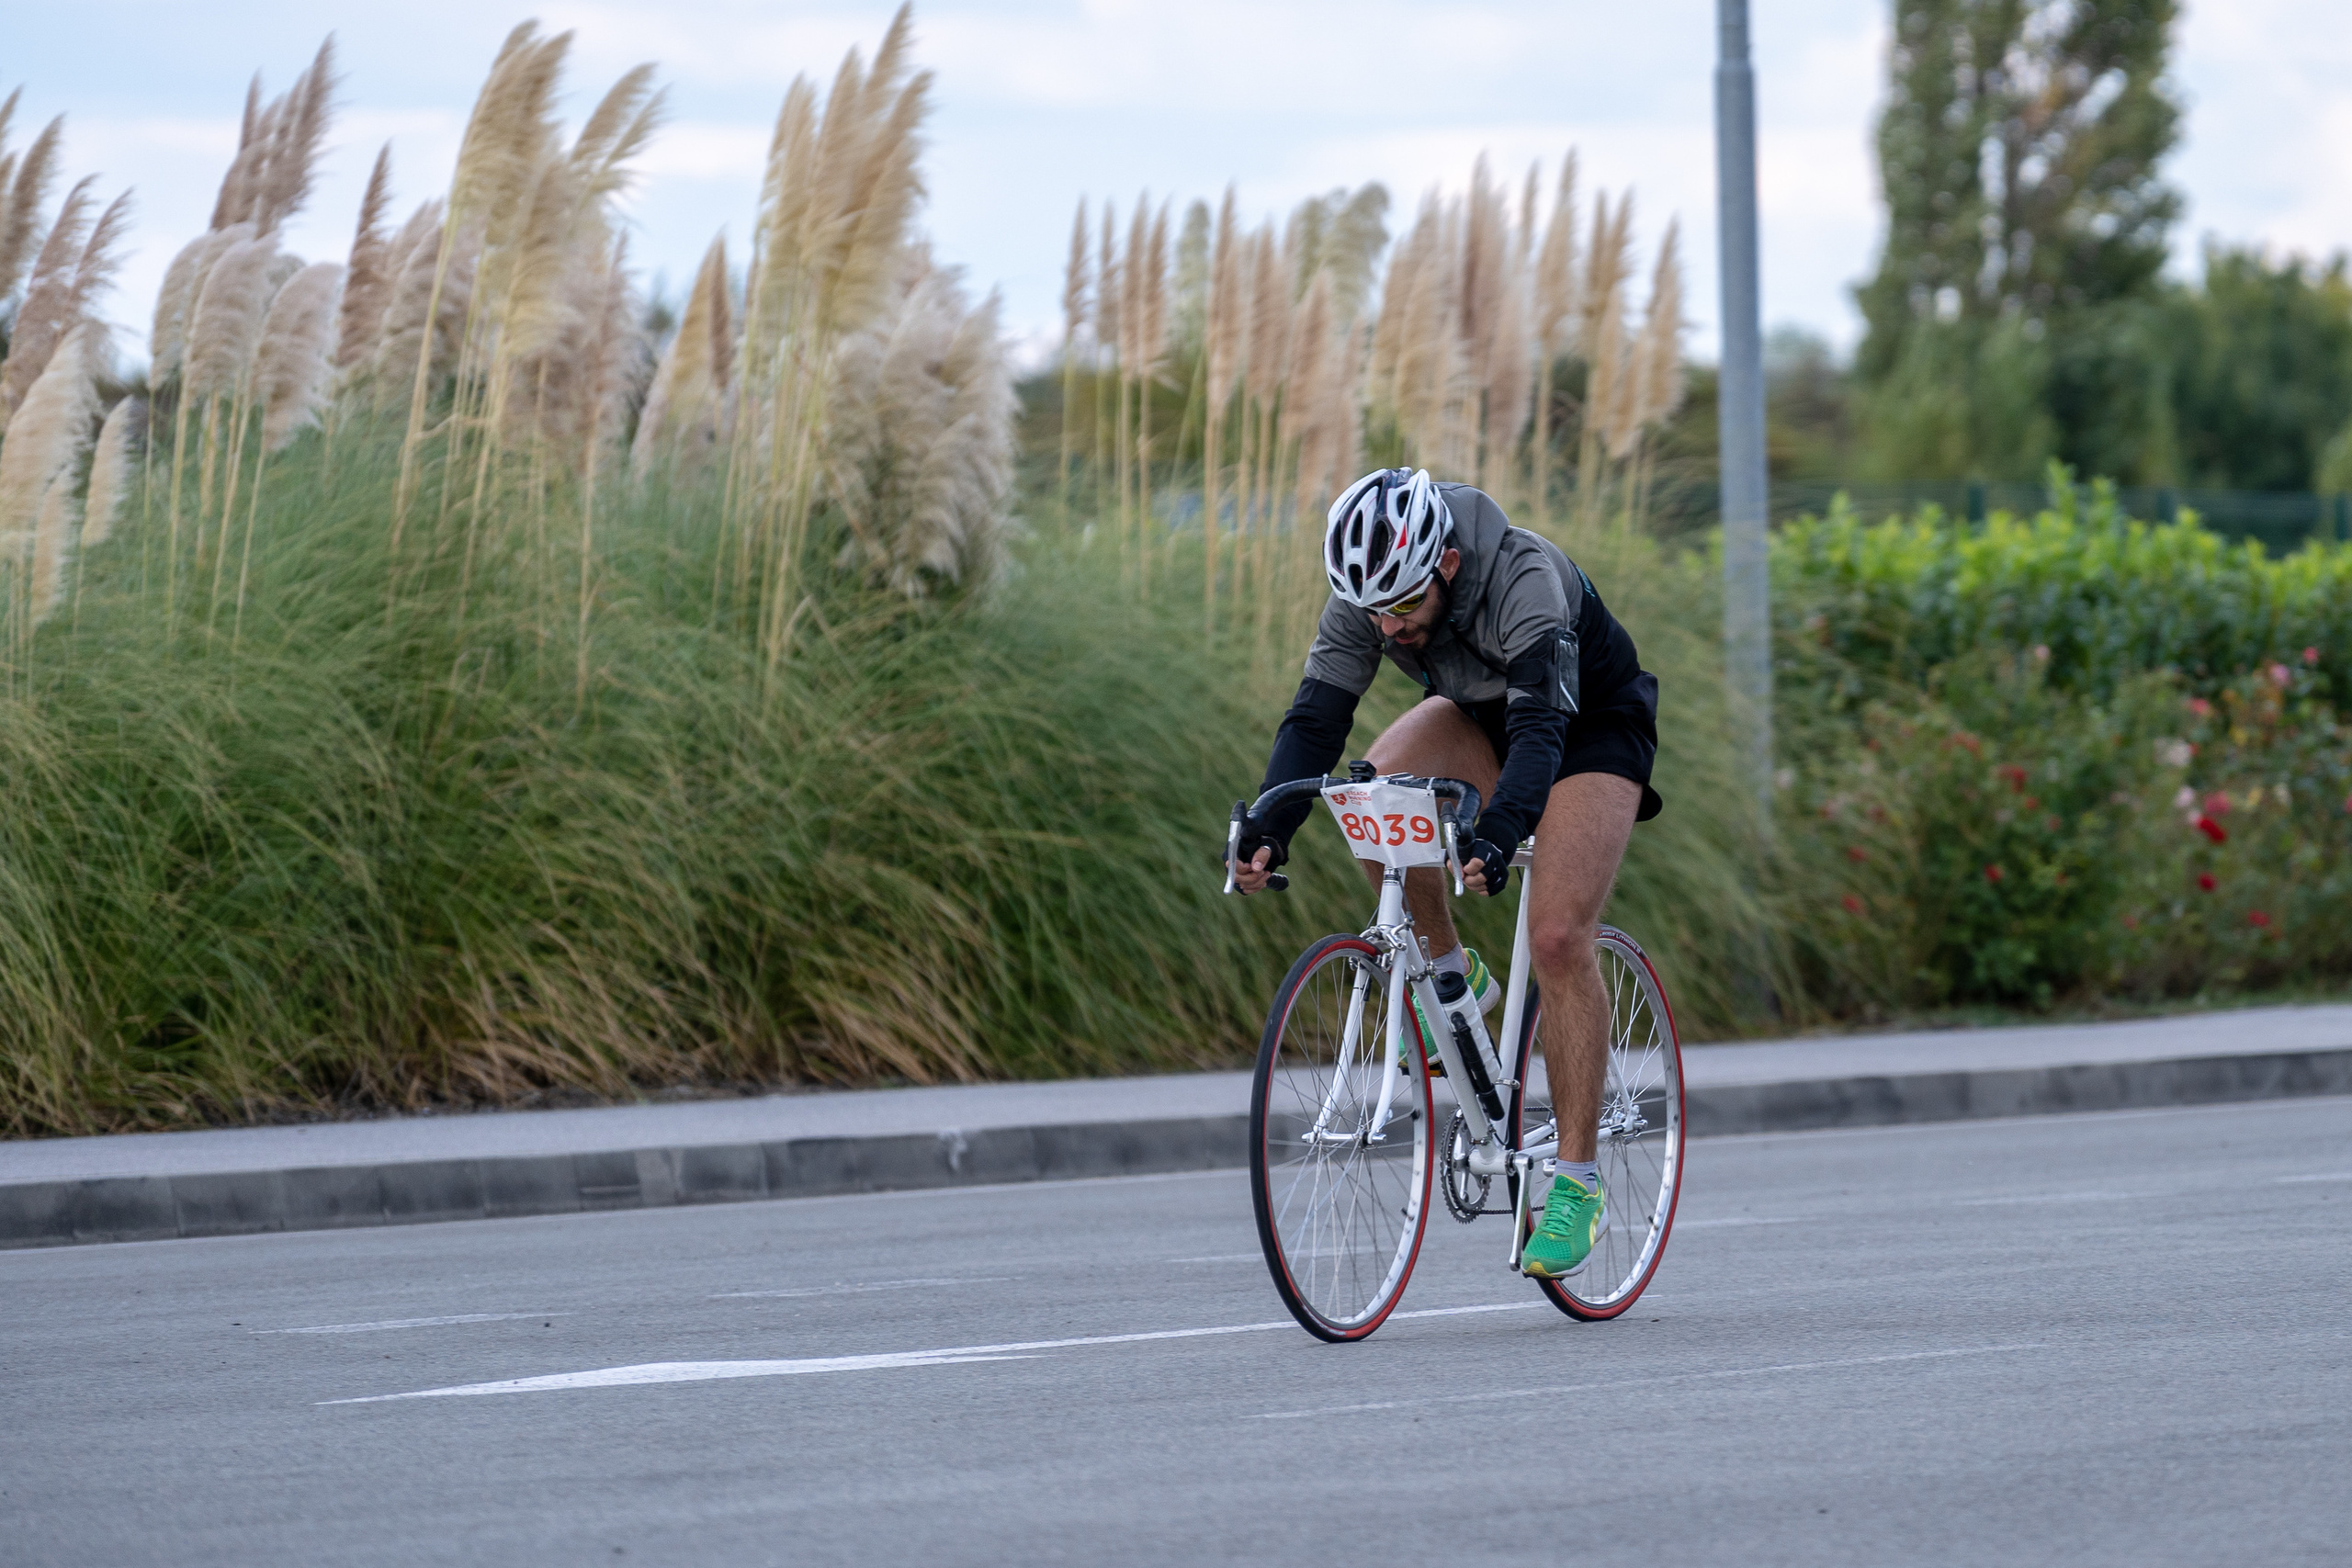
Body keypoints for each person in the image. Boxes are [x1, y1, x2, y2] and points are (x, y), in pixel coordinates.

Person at [1229, 467, 1661, 1280]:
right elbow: (1317, 714)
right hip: (1480, 715)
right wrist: (1270, 823)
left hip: (1586, 727)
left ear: (1448, 566)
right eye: (1371, 612)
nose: (1387, 630)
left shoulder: (1523, 576)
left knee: (1561, 936)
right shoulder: (1371, 594)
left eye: (1401, 608)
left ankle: (1575, 1181)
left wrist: (1497, 834)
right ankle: (1454, 985)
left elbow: (1539, 736)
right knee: (1369, 793)